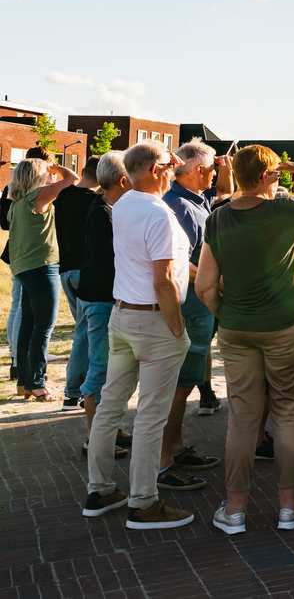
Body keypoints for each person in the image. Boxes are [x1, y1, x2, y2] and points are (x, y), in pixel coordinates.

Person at [197, 145, 294, 535]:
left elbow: (204, 285)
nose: (280, 180)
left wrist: (224, 314)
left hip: (236, 327)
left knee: (243, 419)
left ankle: (234, 510)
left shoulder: (218, 218)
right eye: (277, 175)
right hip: (285, 326)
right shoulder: (285, 213)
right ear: (264, 177)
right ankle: (288, 506)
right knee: (288, 413)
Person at [81, 140, 194, 531]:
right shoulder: (157, 213)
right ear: (156, 170)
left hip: (122, 314)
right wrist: (177, 326)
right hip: (152, 319)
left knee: (112, 404)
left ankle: (100, 488)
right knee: (150, 415)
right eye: (168, 164)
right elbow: (163, 278)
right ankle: (143, 501)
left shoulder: (124, 203)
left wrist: (161, 162)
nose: (174, 168)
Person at [157, 140, 229, 491]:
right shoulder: (180, 206)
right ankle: (165, 458)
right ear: (198, 170)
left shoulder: (196, 201)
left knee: (184, 383)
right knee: (179, 385)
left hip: (199, 306)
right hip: (190, 306)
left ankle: (176, 446)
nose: (216, 172)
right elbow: (175, 259)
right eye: (212, 168)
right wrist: (209, 280)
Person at [76, 152, 132, 458]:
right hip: (100, 299)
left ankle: (108, 429)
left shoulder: (105, 207)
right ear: (121, 180)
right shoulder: (103, 212)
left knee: (111, 369)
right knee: (99, 368)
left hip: (99, 296)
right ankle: (94, 438)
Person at [9, 156, 78, 400]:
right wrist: (58, 168)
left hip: (24, 268)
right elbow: (73, 179)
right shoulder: (37, 197)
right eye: (46, 173)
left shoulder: (17, 203)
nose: (50, 176)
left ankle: (25, 382)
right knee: (44, 326)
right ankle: (37, 382)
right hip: (42, 267)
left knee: (29, 324)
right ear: (37, 176)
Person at [2, 146, 54, 381]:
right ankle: (29, 372)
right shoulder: (37, 195)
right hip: (35, 259)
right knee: (34, 318)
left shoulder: (15, 195)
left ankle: (18, 364)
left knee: (21, 309)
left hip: (20, 257)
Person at [54, 155, 101, 409]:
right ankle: (75, 391)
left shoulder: (63, 197)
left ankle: (75, 390)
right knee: (86, 333)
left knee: (82, 330)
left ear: (83, 170)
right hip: (87, 272)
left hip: (65, 270)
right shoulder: (96, 203)